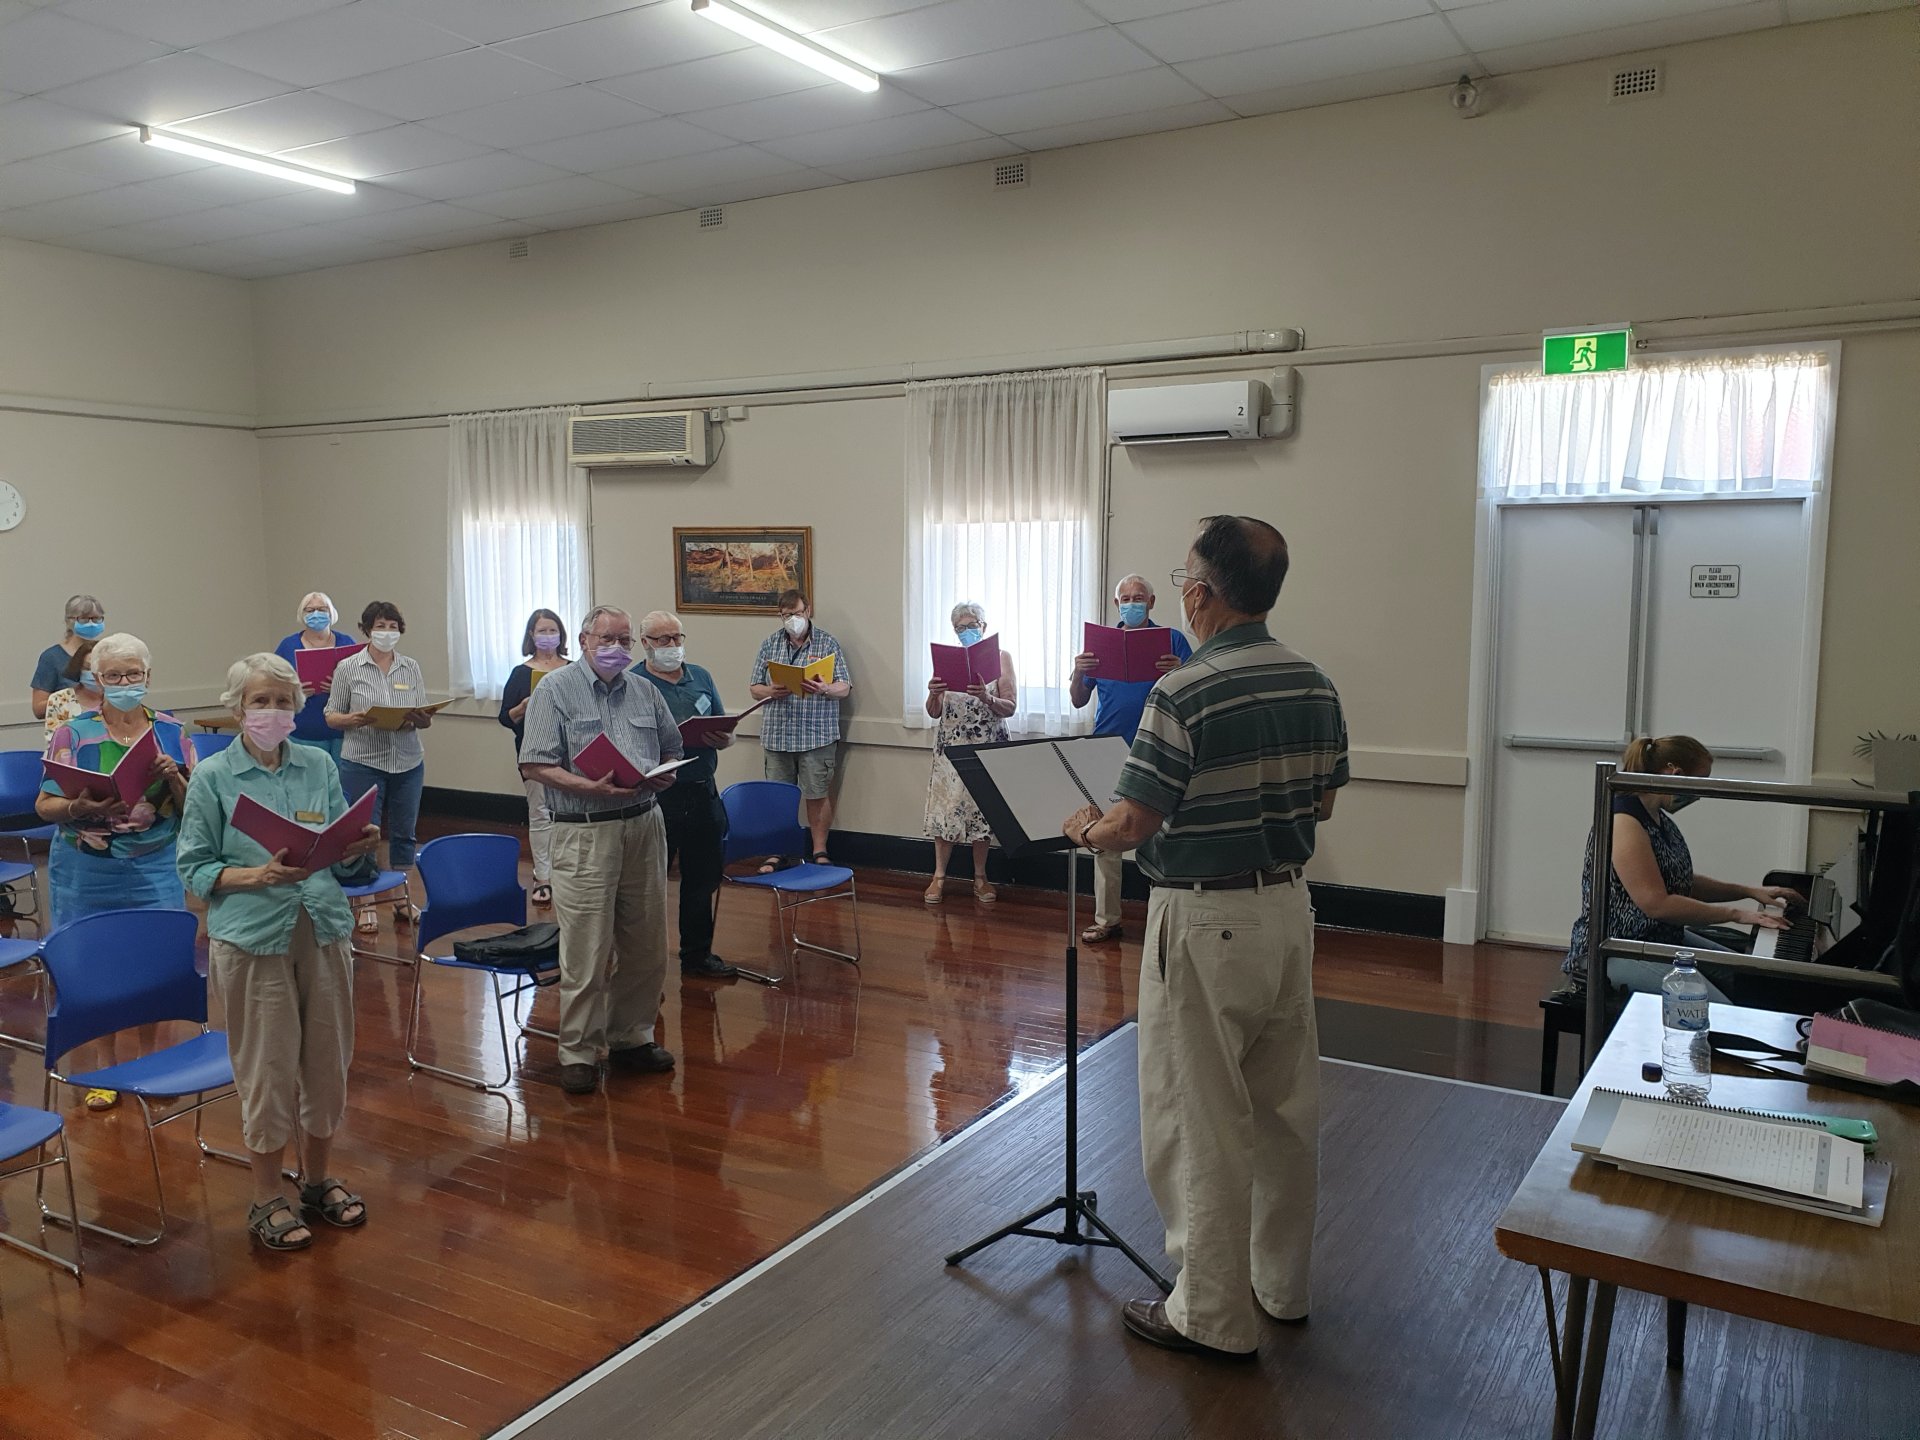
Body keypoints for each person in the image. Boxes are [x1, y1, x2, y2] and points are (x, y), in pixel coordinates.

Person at [1062, 516, 1347, 1359]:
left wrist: (1085, 828)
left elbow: (1133, 821)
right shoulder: (1313, 679)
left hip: (1203, 917)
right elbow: (1324, 802)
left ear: (1199, 593)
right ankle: (1280, 1286)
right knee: (1284, 1107)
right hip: (1288, 912)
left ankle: (1210, 1312)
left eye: (1180, 576)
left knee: (1197, 1117)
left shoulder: (1181, 690)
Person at [176, 652, 382, 1254]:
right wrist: (255, 876)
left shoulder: (318, 762)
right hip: (251, 935)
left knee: (326, 1058)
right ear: (238, 708)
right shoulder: (214, 777)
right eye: (261, 701)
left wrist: (355, 843)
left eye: (284, 701)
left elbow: (331, 846)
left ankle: (317, 1181)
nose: (273, 711)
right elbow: (195, 869)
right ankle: (267, 1194)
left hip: (320, 926)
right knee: (266, 1067)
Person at [518, 605, 684, 1095]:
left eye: (625, 641)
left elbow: (672, 746)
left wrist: (669, 769)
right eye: (606, 638)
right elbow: (535, 764)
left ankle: (631, 1037)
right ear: (585, 639)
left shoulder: (644, 690)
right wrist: (588, 786)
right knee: (588, 947)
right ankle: (579, 1050)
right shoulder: (555, 690)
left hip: (643, 824)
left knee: (646, 943)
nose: (616, 648)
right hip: (584, 828)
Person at [35, 631, 192, 1112]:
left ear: (149, 676)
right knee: (98, 967)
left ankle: (151, 1063)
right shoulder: (73, 733)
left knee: (157, 965)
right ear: (97, 681)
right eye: (114, 675)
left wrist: (173, 776)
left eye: (134, 674)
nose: (125, 682)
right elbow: (44, 805)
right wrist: (75, 805)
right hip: (87, 866)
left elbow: (194, 809)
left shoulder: (170, 731)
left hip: (155, 862)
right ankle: (105, 1066)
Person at [1563, 734, 1800, 1002]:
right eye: (1699, 783)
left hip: (1660, 939)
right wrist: (1736, 914)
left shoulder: (1656, 818)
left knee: (1750, 977)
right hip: (1614, 951)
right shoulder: (1624, 822)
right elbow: (1657, 903)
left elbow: (1681, 882)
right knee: (1721, 1011)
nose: (1699, 795)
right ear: (1674, 773)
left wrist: (1747, 891)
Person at [1068, 573, 1192, 943]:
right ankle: (1107, 919)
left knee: (1162, 834)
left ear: (1152, 603)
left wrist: (1179, 672)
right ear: (1116, 604)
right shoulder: (1101, 646)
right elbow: (1077, 699)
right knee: (1105, 836)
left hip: (1159, 751)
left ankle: (1163, 919)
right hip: (1106, 749)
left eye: (1139, 597)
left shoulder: (1172, 641)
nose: (1132, 603)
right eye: (1126, 598)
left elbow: (1196, 693)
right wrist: (1078, 671)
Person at [635, 610, 739, 980]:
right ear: (645, 642)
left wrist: (724, 738)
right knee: (649, 884)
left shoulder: (701, 677)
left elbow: (726, 728)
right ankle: (644, 963)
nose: (672, 646)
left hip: (702, 791)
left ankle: (697, 954)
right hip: (657, 797)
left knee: (703, 878)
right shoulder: (633, 682)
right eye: (662, 640)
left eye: (677, 638)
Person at [326, 600, 431, 934]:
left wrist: (419, 719)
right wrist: (354, 719)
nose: (387, 632)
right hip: (362, 761)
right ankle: (365, 902)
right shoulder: (348, 667)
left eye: (393, 626)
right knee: (363, 832)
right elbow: (331, 715)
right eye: (381, 626)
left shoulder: (410, 667)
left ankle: (402, 899)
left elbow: (423, 715)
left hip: (408, 760)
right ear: (366, 629)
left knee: (405, 831)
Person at [922, 601, 1017, 905]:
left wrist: (988, 697)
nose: (966, 631)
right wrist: (934, 692)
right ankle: (938, 876)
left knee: (982, 814)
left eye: (972, 624)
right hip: (951, 747)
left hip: (987, 745)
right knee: (946, 812)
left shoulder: (1001, 658)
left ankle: (980, 877)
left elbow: (1011, 707)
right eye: (960, 627)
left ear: (984, 627)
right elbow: (933, 711)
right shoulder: (947, 660)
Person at [748, 590, 853, 866]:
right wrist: (771, 690)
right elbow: (754, 688)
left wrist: (825, 688)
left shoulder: (828, 643)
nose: (791, 620)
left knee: (817, 794)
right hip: (778, 735)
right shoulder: (770, 644)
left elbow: (845, 687)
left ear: (808, 611)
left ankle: (819, 851)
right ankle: (777, 851)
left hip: (816, 734)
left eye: (795, 613)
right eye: (785, 615)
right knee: (777, 798)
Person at [498, 608, 571, 908]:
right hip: (534, 753)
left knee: (569, 815)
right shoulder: (521, 673)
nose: (547, 636)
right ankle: (543, 877)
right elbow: (505, 717)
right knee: (540, 814)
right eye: (541, 631)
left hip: (571, 753)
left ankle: (567, 875)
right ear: (531, 635)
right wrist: (524, 707)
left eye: (552, 630)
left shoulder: (572, 668)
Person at [273, 591, 355, 762]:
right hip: (303, 729)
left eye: (321, 609)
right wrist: (294, 691)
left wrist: (340, 689)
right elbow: (272, 684)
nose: (316, 614)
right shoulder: (288, 645)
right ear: (302, 615)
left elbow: (364, 682)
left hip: (343, 731)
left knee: (342, 784)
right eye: (309, 610)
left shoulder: (347, 642)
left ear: (331, 612)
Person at [30, 594, 106, 720]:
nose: (91, 624)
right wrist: (74, 698)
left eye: (97, 619)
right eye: (84, 619)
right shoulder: (52, 657)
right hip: (68, 730)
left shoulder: (107, 653)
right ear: (69, 621)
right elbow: (38, 709)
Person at [41, 639, 101, 737]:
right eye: (87, 668)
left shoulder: (117, 700)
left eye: (97, 669)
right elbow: (53, 743)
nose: (93, 674)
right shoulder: (59, 700)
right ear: (78, 669)